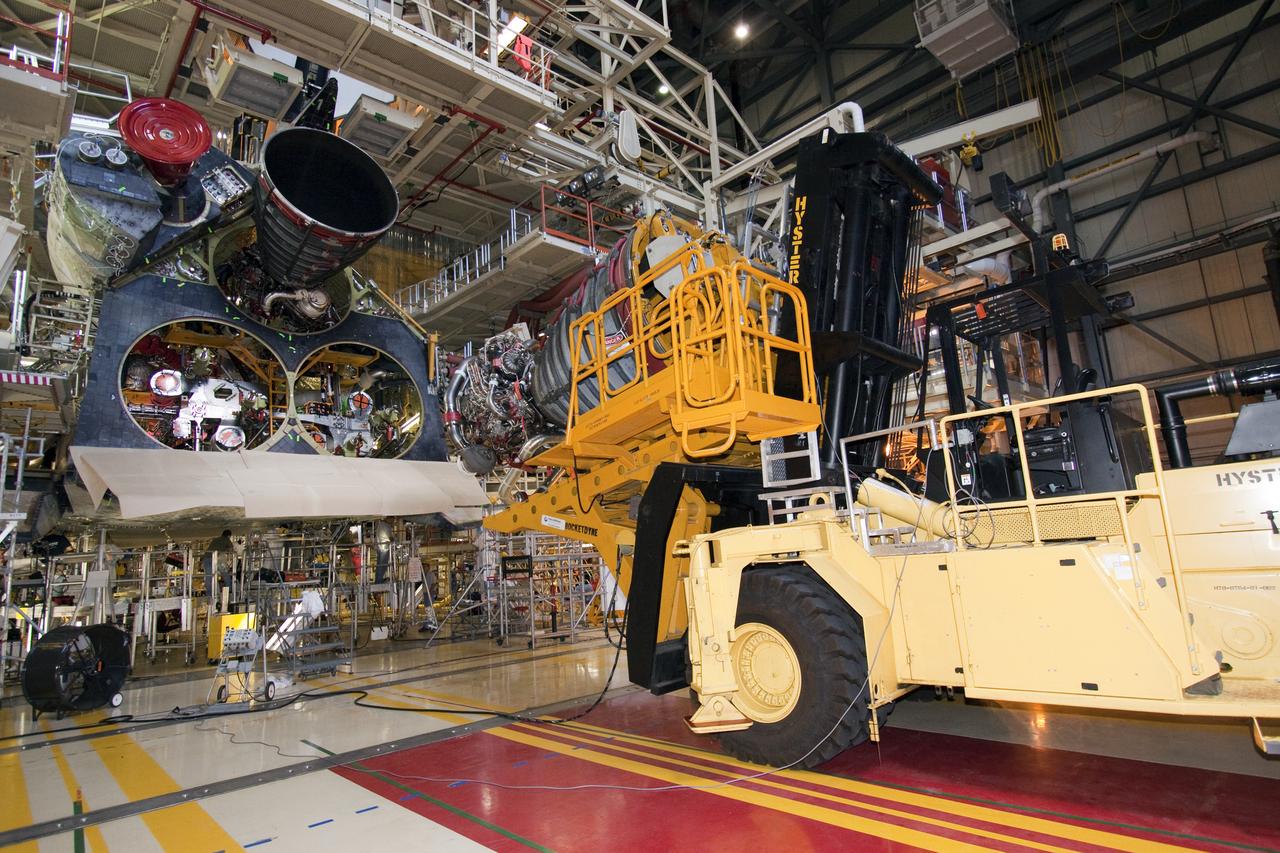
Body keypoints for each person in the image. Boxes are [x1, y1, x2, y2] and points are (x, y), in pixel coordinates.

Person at [203, 529, 234, 605]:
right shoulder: (227, 540)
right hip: (216, 558)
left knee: (209, 577)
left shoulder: (215, 539)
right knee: (225, 574)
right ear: (229, 536)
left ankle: (209, 595)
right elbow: (231, 549)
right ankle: (229, 590)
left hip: (206, 558)